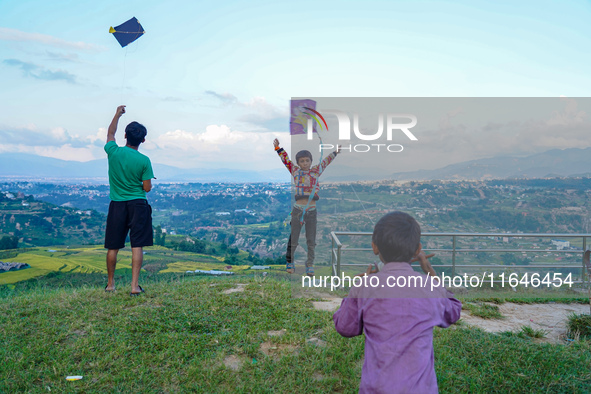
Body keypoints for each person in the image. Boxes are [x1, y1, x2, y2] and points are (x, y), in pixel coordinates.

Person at [333, 211, 461, 393]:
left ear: (374, 247)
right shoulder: (429, 287)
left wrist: (356, 290)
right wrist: (430, 271)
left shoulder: (364, 287)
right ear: (418, 249)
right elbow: (453, 311)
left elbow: (345, 328)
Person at [104, 105, 155, 296]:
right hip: (138, 205)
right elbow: (147, 188)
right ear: (143, 139)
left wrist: (117, 114)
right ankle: (134, 286)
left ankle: (110, 285)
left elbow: (110, 133)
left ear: (125, 136)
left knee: (113, 246)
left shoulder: (113, 152)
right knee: (137, 245)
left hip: (117, 204)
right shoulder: (144, 160)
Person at [273, 138, 339, 276]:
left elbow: (326, 161)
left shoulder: (316, 171)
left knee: (311, 240)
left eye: (307, 160)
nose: (305, 163)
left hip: (312, 210)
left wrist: (335, 152)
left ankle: (310, 264)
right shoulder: (296, 172)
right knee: (294, 239)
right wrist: (279, 148)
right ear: (298, 163)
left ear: (311, 161)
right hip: (298, 209)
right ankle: (290, 262)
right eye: (302, 161)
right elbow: (286, 161)